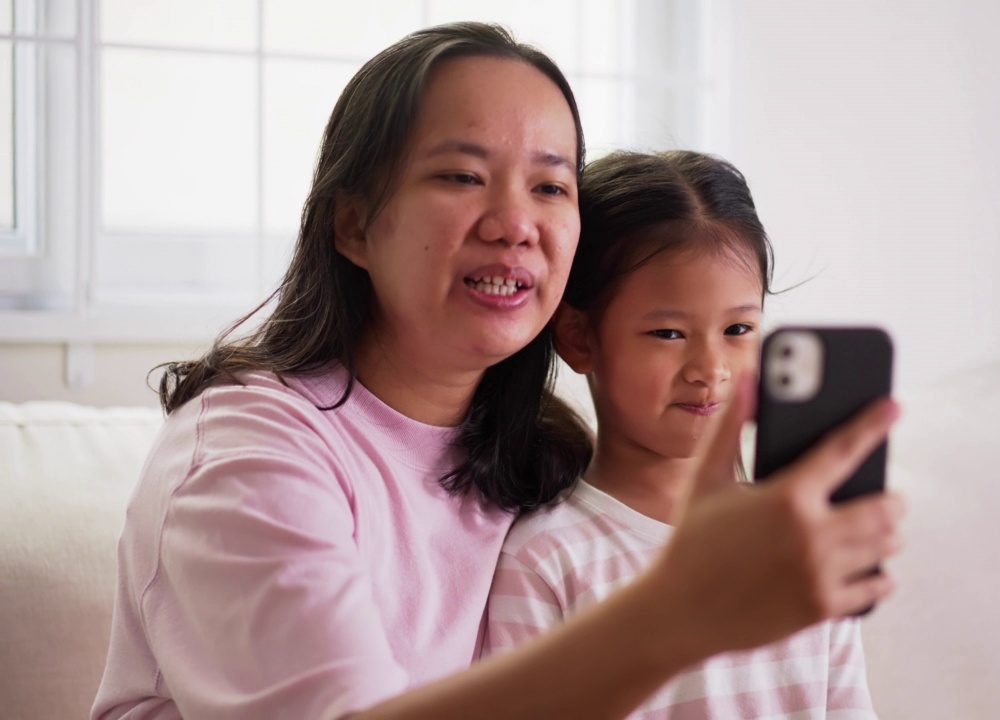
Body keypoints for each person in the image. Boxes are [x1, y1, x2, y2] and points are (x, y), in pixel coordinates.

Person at [91, 22, 903, 720]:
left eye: (551, 184)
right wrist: (675, 611)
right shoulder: (248, 455)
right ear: (353, 225)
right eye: (462, 176)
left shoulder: (533, 460)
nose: (516, 224)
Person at [483, 150, 879, 719]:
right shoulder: (547, 559)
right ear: (578, 336)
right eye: (668, 333)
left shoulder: (799, 534)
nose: (709, 368)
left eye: (738, 329)